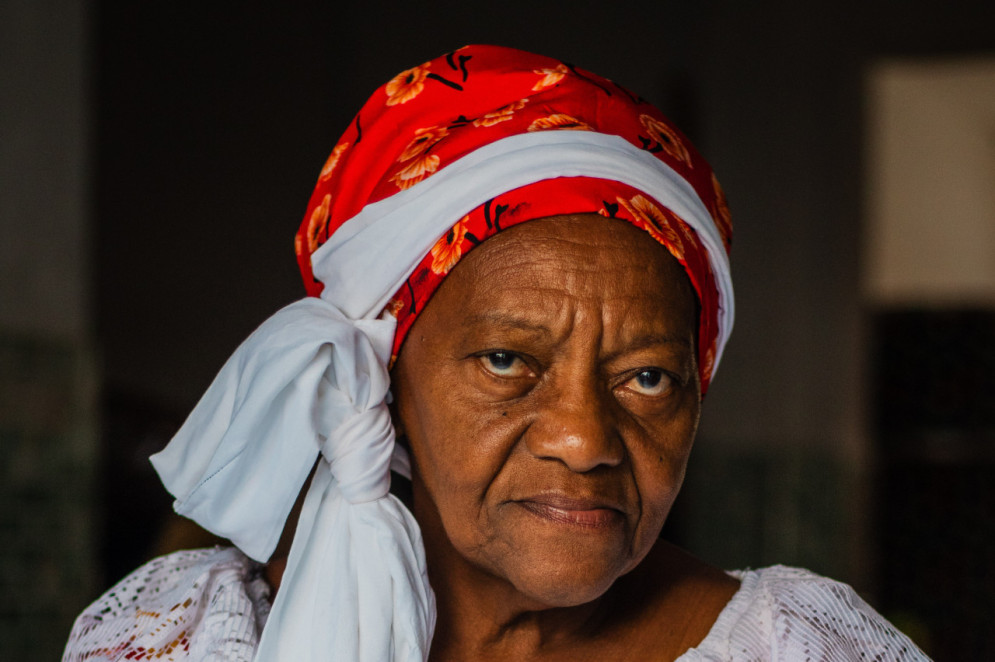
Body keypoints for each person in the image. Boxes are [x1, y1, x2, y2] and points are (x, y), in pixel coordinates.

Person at [63, 45, 929, 661]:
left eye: (648, 377)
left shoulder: (794, 651)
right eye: (508, 362)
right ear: (383, 376)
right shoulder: (190, 638)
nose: (583, 441)